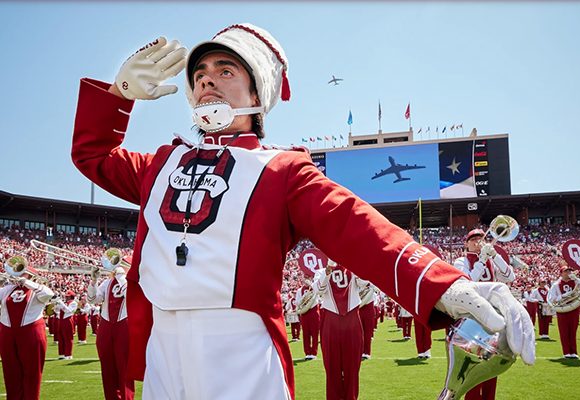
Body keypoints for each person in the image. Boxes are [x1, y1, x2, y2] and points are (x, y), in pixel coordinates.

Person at [71, 23, 535, 400]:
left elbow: (357, 227)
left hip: (240, 347)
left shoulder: (282, 169)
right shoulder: (160, 163)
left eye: (226, 69)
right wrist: (119, 93)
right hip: (161, 345)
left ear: (259, 91)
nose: (206, 78)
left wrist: (446, 282)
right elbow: (92, 155)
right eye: (200, 74)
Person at [453, 228, 515, 400]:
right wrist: (480, 261)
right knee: (472, 364)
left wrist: (496, 256)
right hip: (472, 316)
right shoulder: (461, 261)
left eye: (481, 238)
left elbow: (510, 277)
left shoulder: (492, 261)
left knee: (491, 363)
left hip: (492, 316)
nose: (478, 241)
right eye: (473, 239)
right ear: (466, 244)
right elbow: (467, 283)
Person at [315, 260, 367, 400]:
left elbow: (364, 281)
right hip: (330, 320)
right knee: (331, 367)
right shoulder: (320, 271)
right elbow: (319, 290)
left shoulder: (353, 267)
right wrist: (328, 269)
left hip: (352, 319)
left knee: (352, 367)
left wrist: (354, 262)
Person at [0, 266, 53, 400]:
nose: (19, 276)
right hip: (7, 331)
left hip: (31, 331)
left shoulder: (38, 290)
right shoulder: (8, 289)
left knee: (32, 371)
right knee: (10, 371)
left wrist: (27, 283)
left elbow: (48, 294)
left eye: (24, 273)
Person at [88, 266, 135, 400]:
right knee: (107, 366)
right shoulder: (107, 283)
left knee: (124, 366)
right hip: (106, 324)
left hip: (124, 323)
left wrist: (121, 277)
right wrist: (94, 281)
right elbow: (92, 300)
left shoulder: (132, 281)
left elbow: (130, 296)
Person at [549, 266, 580, 359]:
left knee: (573, 330)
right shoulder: (556, 285)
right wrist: (563, 295)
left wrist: (577, 279)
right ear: (561, 273)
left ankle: (574, 351)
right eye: (566, 271)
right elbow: (552, 299)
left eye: (569, 271)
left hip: (574, 308)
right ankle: (566, 352)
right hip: (562, 308)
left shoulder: (576, 282)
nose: (568, 273)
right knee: (564, 331)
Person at [296, 275, 320, 360]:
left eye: (307, 278)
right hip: (304, 313)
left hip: (313, 312)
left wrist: (312, 284)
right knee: (306, 334)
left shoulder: (315, 288)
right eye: (304, 278)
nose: (305, 280)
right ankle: (307, 352)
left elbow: (319, 295)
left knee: (314, 334)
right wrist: (304, 298)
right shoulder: (299, 290)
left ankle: (314, 352)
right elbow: (297, 302)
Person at [54, 290, 78, 360]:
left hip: (67, 320)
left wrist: (61, 304)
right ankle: (64, 353)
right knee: (61, 337)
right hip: (61, 320)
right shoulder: (64, 303)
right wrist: (56, 305)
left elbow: (68, 311)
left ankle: (69, 354)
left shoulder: (73, 303)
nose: (66, 297)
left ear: (71, 296)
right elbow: (56, 311)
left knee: (68, 337)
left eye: (67, 296)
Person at [358, 282, 377, 360]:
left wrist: (368, 284)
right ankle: (359, 351)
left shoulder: (371, 279)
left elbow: (376, 288)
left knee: (368, 331)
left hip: (368, 306)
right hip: (358, 306)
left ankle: (366, 352)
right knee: (358, 331)